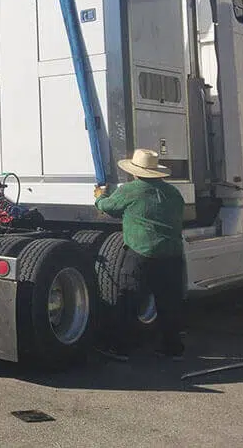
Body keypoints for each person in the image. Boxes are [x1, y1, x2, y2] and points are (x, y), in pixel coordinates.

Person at [94, 148, 186, 361]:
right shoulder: (173, 193)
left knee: (128, 298)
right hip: (172, 253)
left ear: (135, 172)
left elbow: (108, 207)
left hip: (142, 252)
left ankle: (120, 347)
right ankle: (173, 348)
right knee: (168, 301)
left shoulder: (132, 189)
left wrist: (100, 196)